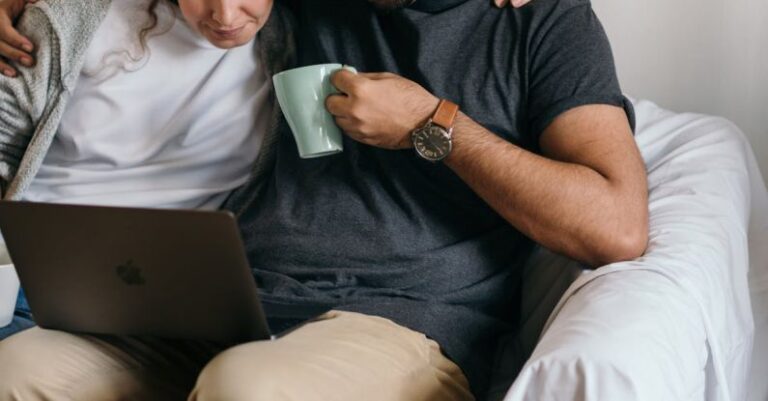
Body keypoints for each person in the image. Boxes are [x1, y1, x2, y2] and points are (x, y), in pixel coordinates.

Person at [0, 0, 646, 401]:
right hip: (233, 306)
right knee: (17, 367)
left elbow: (615, 227)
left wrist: (434, 126)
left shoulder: (545, 22)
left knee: (249, 388)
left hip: (407, 319)